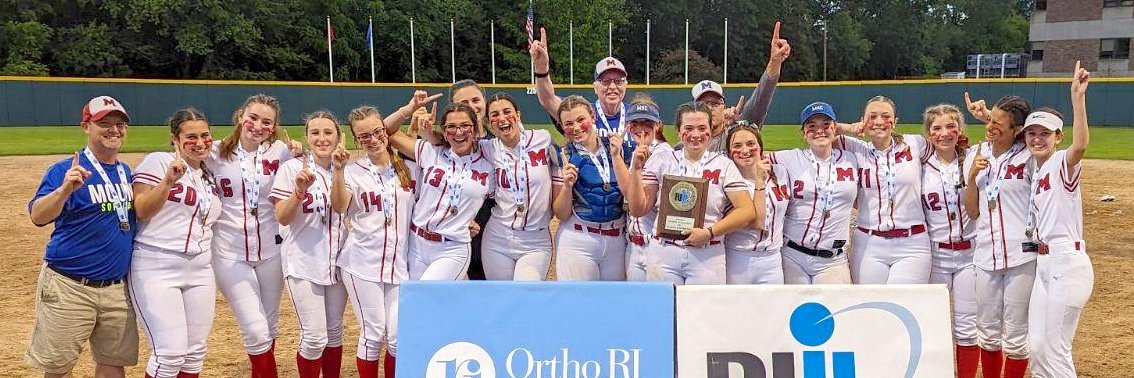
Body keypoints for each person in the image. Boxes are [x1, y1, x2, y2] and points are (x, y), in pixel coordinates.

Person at [26, 96, 138, 378]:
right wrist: (65, 190)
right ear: (85, 126)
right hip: (69, 286)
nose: (114, 129)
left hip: (116, 288)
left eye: (119, 123)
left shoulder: (126, 173)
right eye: (104, 123)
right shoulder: (64, 170)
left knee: (113, 363)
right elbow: (38, 216)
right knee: (58, 368)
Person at [208, 94, 298, 377]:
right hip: (229, 253)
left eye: (267, 122)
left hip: (271, 250)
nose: (258, 126)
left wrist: (298, 152)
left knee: (269, 328)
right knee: (256, 331)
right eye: (253, 118)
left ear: (274, 127)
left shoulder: (281, 151)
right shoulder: (212, 152)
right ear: (240, 117)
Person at [129, 108, 222, 378]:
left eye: (205, 135)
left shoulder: (208, 175)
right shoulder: (158, 162)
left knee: (194, 354)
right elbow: (142, 209)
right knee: (169, 354)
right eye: (191, 136)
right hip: (157, 265)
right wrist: (168, 181)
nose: (200, 142)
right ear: (175, 140)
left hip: (200, 270)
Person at [624, 101, 757, 285]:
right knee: (664, 311)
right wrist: (637, 169)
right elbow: (638, 210)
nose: (695, 134)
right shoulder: (663, 160)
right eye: (689, 128)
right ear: (678, 131)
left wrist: (710, 232)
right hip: (665, 251)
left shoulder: (723, 164)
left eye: (702, 128)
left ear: (711, 130)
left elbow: (747, 211)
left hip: (707, 254)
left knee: (703, 313)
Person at [332, 106, 420, 378]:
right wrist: (337, 170)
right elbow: (339, 206)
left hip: (398, 266)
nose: (372, 139)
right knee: (373, 334)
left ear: (385, 131)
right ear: (356, 140)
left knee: (396, 337)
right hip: (361, 265)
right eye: (364, 136)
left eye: (377, 131)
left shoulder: (409, 167)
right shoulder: (353, 170)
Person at [1024, 62, 1094, 378]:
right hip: (1044, 265)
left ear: (1057, 136)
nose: (1037, 139)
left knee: (1055, 349)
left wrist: (1077, 99)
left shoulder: (1060, 164)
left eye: (1045, 134)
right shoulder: (1036, 170)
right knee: (1036, 346)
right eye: (1032, 133)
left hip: (1067, 263)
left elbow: (1079, 146)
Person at [270, 111, 349, 378]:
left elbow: (343, 208)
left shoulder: (348, 168)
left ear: (339, 137)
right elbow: (282, 216)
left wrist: (339, 169)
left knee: (335, 332)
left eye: (328, 132)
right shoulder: (291, 169)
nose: (322, 138)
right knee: (315, 336)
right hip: (303, 261)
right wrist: (299, 192)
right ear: (307, 137)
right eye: (315, 132)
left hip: (338, 262)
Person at [962, 93, 1034, 378]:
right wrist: (971, 178)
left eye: (997, 124)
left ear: (1017, 130)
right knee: (988, 333)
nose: (989, 126)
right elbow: (972, 211)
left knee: (1016, 336)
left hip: (1021, 257)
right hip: (985, 255)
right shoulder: (977, 152)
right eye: (989, 120)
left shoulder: (1030, 154)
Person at [386, 102, 496, 280]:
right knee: (420, 300)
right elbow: (387, 131)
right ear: (444, 132)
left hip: (452, 248)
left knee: (425, 294)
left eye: (465, 126)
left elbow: (500, 200)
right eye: (451, 127)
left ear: (475, 130)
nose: (458, 132)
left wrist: (478, 221)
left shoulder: (489, 165)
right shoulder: (430, 152)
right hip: (416, 242)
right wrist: (408, 109)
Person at [840, 96, 933, 285]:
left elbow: (949, 146)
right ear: (863, 120)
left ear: (895, 121)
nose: (879, 122)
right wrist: (849, 128)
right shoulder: (855, 148)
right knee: (871, 307)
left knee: (904, 305)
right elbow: (823, 132)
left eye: (885, 116)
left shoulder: (914, 144)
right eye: (872, 117)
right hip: (868, 243)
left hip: (912, 243)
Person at [920, 103, 979, 377]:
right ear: (928, 134)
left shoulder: (975, 157)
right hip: (936, 256)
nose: (945, 133)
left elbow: (1010, 136)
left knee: (967, 328)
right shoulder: (919, 165)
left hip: (970, 255)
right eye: (937, 128)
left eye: (951, 126)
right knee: (933, 325)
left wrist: (987, 114)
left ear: (960, 130)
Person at [770, 102, 858, 285]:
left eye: (826, 125)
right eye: (812, 126)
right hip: (793, 256)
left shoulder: (852, 158)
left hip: (833, 260)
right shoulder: (789, 158)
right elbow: (747, 155)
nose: (820, 130)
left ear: (835, 129)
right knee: (793, 310)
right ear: (803, 132)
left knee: (833, 310)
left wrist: (847, 128)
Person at [550, 96, 631, 281]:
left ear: (592, 117)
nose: (576, 128)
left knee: (612, 304)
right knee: (578, 303)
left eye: (581, 120)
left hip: (616, 238)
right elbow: (561, 214)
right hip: (579, 237)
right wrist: (567, 186)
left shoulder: (617, 146)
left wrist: (619, 156)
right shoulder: (563, 156)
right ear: (562, 127)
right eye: (568, 123)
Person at [479, 93, 555, 280]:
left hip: (536, 238)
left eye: (507, 112)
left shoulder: (542, 139)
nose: (502, 118)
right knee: (499, 298)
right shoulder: (486, 148)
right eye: (494, 115)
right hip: (498, 236)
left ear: (518, 115)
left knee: (527, 292)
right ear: (489, 123)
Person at [686, 21, 792, 152]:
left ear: (724, 107)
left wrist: (774, 62)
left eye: (714, 103)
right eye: (703, 104)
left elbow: (759, 102)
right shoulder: (683, 147)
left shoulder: (736, 136)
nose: (709, 108)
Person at [529, 28, 634, 154]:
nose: (612, 86)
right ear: (595, 87)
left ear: (625, 85)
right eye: (605, 81)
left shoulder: (637, 116)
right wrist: (541, 68)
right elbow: (548, 100)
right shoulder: (581, 114)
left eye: (618, 81)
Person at [723, 124, 789, 284]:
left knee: (774, 308)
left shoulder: (780, 172)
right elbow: (757, 222)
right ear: (729, 153)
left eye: (751, 144)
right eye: (737, 146)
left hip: (773, 259)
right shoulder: (728, 181)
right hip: (739, 259)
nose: (745, 150)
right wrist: (760, 180)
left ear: (760, 147)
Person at [621, 95, 672, 281]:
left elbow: (642, 208)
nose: (641, 129)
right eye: (635, 123)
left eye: (647, 123)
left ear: (657, 125)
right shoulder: (637, 153)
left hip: (656, 247)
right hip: (634, 246)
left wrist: (636, 167)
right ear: (628, 126)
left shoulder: (664, 154)